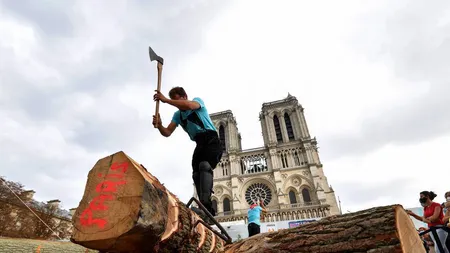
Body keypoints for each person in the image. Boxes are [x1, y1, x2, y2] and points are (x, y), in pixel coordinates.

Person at [152, 87, 223, 219]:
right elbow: (167, 132)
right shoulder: (178, 115)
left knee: (204, 166)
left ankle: (206, 206)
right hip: (199, 143)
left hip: (211, 140)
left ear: (184, 97)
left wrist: (166, 100)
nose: (176, 104)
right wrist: (160, 125)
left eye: (177, 100)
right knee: (196, 174)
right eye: (174, 101)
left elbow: (189, 105)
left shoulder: (196, 102)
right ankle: (205, 210)